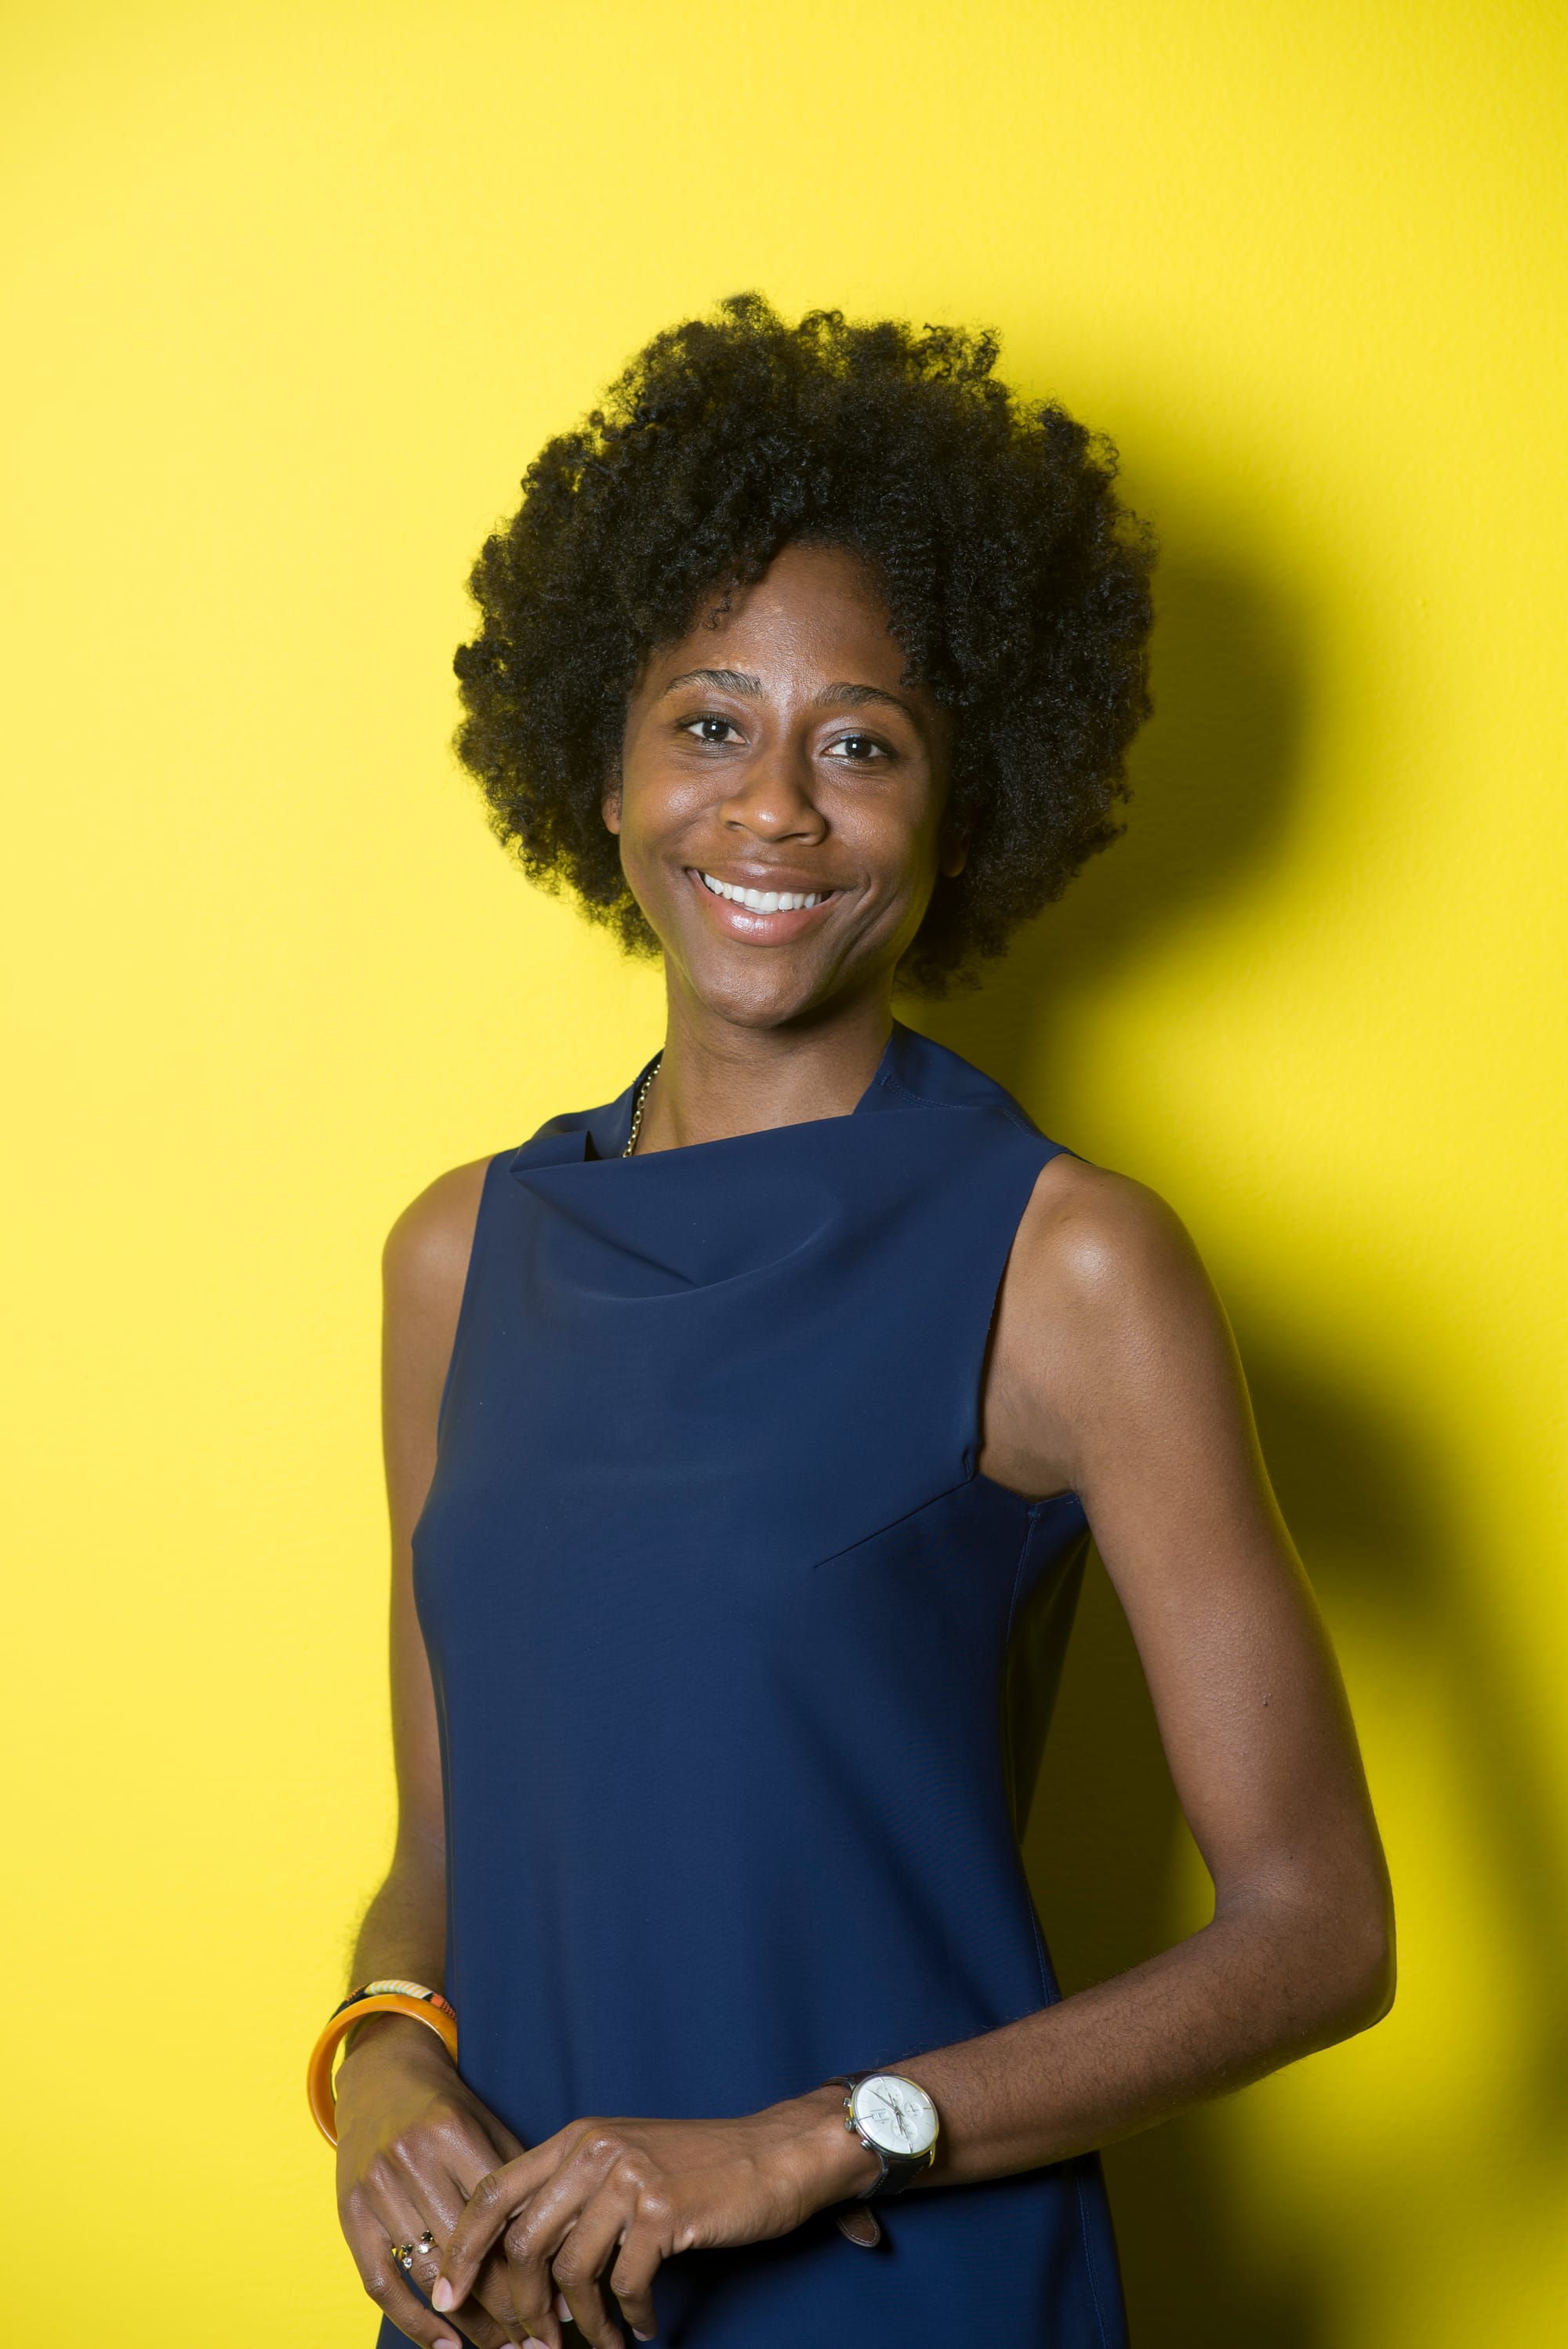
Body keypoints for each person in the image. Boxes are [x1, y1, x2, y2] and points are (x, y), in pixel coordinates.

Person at [318, 296, 1393, 2349]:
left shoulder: (1065, 1261)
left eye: (864, 743)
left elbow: (1321, 1927)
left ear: (960, 807)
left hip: (910, 2297)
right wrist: (380, 2057)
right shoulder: (458, 1257)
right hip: (515, 2310)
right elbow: (443, 1851)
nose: (776, 810)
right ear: (605, 767)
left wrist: (823, 2140)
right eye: (711, 723)